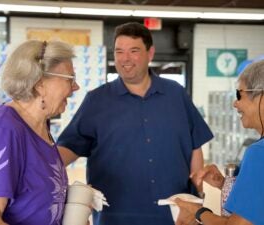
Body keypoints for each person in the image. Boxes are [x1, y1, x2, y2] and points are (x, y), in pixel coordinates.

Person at [56, 22, 213, 225]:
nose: (125, 59)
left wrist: (196, 196)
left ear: (150, 53)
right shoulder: (97, 100)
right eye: (119, 51)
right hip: (115, 216)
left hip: (172, 215)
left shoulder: (175, 94)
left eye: (134, 51)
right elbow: (69, 147)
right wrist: (35, 168)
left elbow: (194, 145)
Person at [0, 40, 79, 225]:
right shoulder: (3, 131)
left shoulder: (40, 128)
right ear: (40, 83)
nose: (76, 87)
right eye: (70, 79)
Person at [174, 60, 264, 225]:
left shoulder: (259, 153)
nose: (235, 103)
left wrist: (198, 212)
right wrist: (225, 185)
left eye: (239, 95)